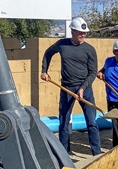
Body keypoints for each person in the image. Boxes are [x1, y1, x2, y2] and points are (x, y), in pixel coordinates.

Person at [41, 17, 101, 155]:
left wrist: (82, 88)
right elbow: (47, 53)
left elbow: (92, 73)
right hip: (66, 89)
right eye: (80, 32)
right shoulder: (62, 44)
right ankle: (64, 153)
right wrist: (44, 71)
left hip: (85, 90)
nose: (83, 35)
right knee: (64, 121)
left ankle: (96, 153)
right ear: (72, 31)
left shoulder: (90, 50)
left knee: (91, 121)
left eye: (85, 33)